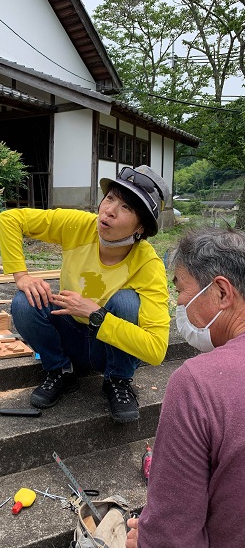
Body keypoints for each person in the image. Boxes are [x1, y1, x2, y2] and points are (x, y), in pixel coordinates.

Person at [0, 165, 170, 423]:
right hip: (69, 334)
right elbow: (10, 219)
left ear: (141, 228)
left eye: (127, 208)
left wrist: (97, 315)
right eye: (110, 198)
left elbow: (156, 350)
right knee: (24, 302)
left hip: (109, 349)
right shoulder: (78, 226)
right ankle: (59, 370)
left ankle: (117, 380)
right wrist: (22, 276)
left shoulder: (148, 264)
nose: (110, 211)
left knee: (126, 301)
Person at [126, 227, 245, 548]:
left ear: (222, 292)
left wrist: (145, 540)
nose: (177, 302)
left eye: (180, 288)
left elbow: (171, 537)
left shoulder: (198, 384)